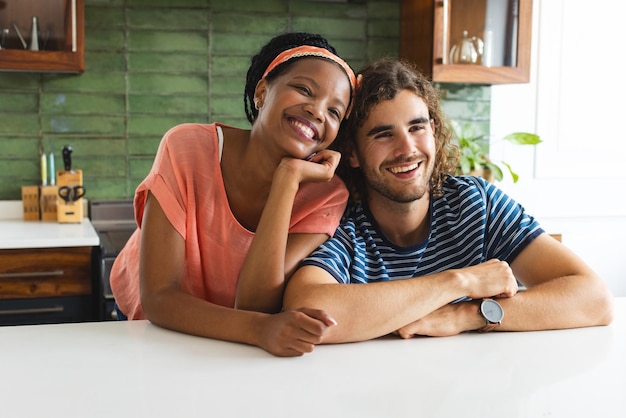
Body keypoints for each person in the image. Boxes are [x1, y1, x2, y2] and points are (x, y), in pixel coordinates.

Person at [283, 58, 614, 343]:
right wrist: (459, 281)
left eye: (417, 128)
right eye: (384, 134)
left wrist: (466, 316)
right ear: (352, 152)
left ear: (434, 130)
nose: (407, 149)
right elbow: (305, 308)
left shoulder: (475, 203)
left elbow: (594, 298)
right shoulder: (342, 220)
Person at [110, 32, 357, 357]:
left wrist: (288, 178)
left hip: (236, 339)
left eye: (335, 112)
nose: (317, 111)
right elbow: (159, 298)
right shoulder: (186, 148)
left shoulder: (327, 195)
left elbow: (253, 303)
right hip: (157, 326)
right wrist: (258, 329)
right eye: (304, 89)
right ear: (262, 91)